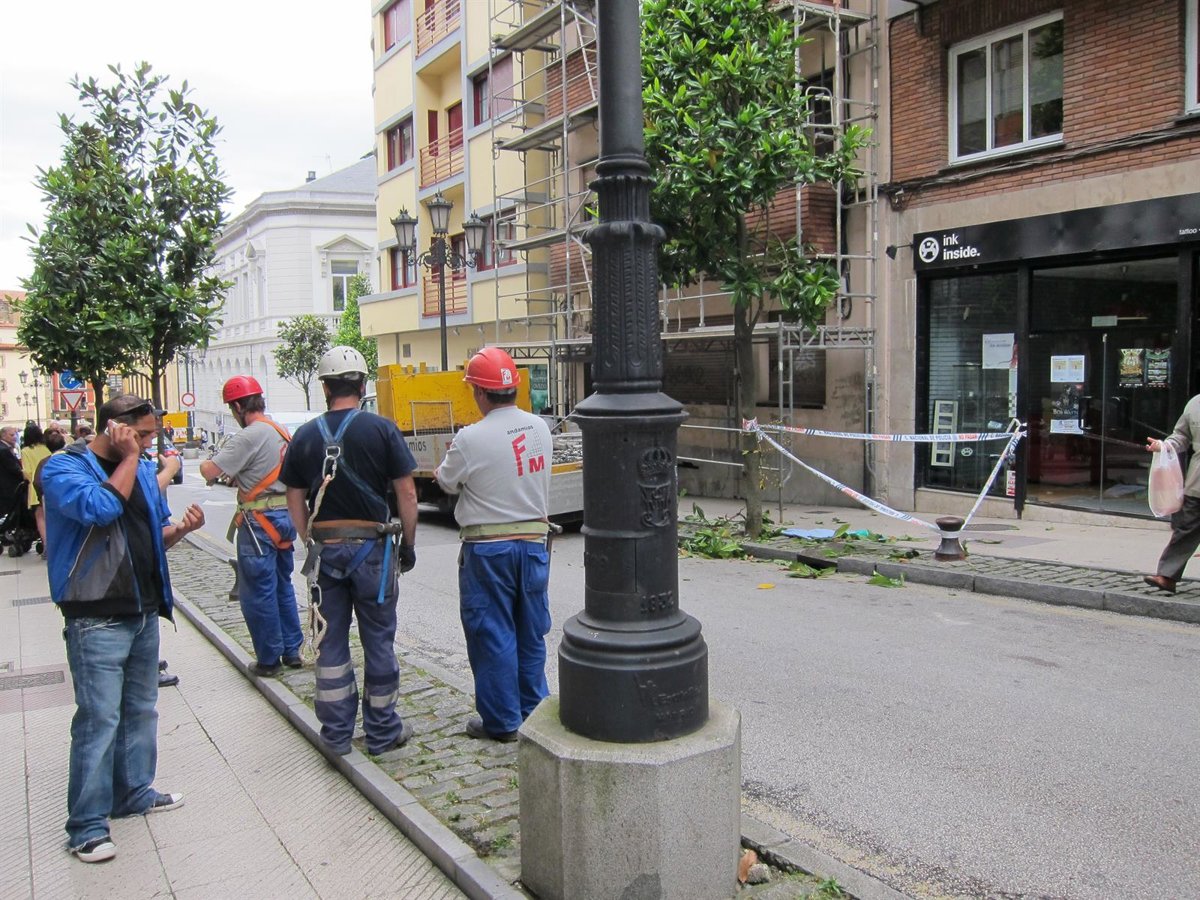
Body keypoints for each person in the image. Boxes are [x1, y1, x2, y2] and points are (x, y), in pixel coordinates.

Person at [42, 394, 204, 863]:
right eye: (144, 434)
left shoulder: (143, 472)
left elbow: (153, 535)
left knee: (139, 710)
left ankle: (133, 792)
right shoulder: (64, 468)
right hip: (95, 613)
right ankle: (87, 826)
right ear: (116, 427)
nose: (150, 442)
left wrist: (182, 530)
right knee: (99, 720)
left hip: (143, 609)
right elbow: (99, 508)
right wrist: (131, 458)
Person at [281, 346, 419, 756]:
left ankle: (336, 734)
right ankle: (382, 732)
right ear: (362, 385)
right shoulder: (382, 430)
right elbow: (407, 493)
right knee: (378, 641)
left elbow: (294, 498)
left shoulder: (305, 436)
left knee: (330, 643)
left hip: (326, 553)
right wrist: (408, 546)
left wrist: (309, 540)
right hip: (374, 553)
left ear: (325, 388)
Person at [434, 347, 553, 742]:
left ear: (480, 393)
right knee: (530, 632)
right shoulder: (540, 428)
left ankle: (502, 722)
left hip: (488, 549)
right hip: (533, 545)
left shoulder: (470, 438)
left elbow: (446, 481)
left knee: (493, 633)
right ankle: (535, 715)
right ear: (514, 388)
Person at [200, 375, 303, 676]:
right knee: (282, 584)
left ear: (237, 406)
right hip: (283, 517)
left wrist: (213, 465)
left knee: (258, 591)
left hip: (258, 522)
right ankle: (292, 650)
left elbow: (209, 470)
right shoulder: (280, 430)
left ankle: (269, 659)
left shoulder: (248, 436)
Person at [1144, 396, 1200, 593]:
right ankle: (1167, 576)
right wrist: (1163, 446)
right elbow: (1181, 436)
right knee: (1186, 528)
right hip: (1197, 482)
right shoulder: (1195, 404)